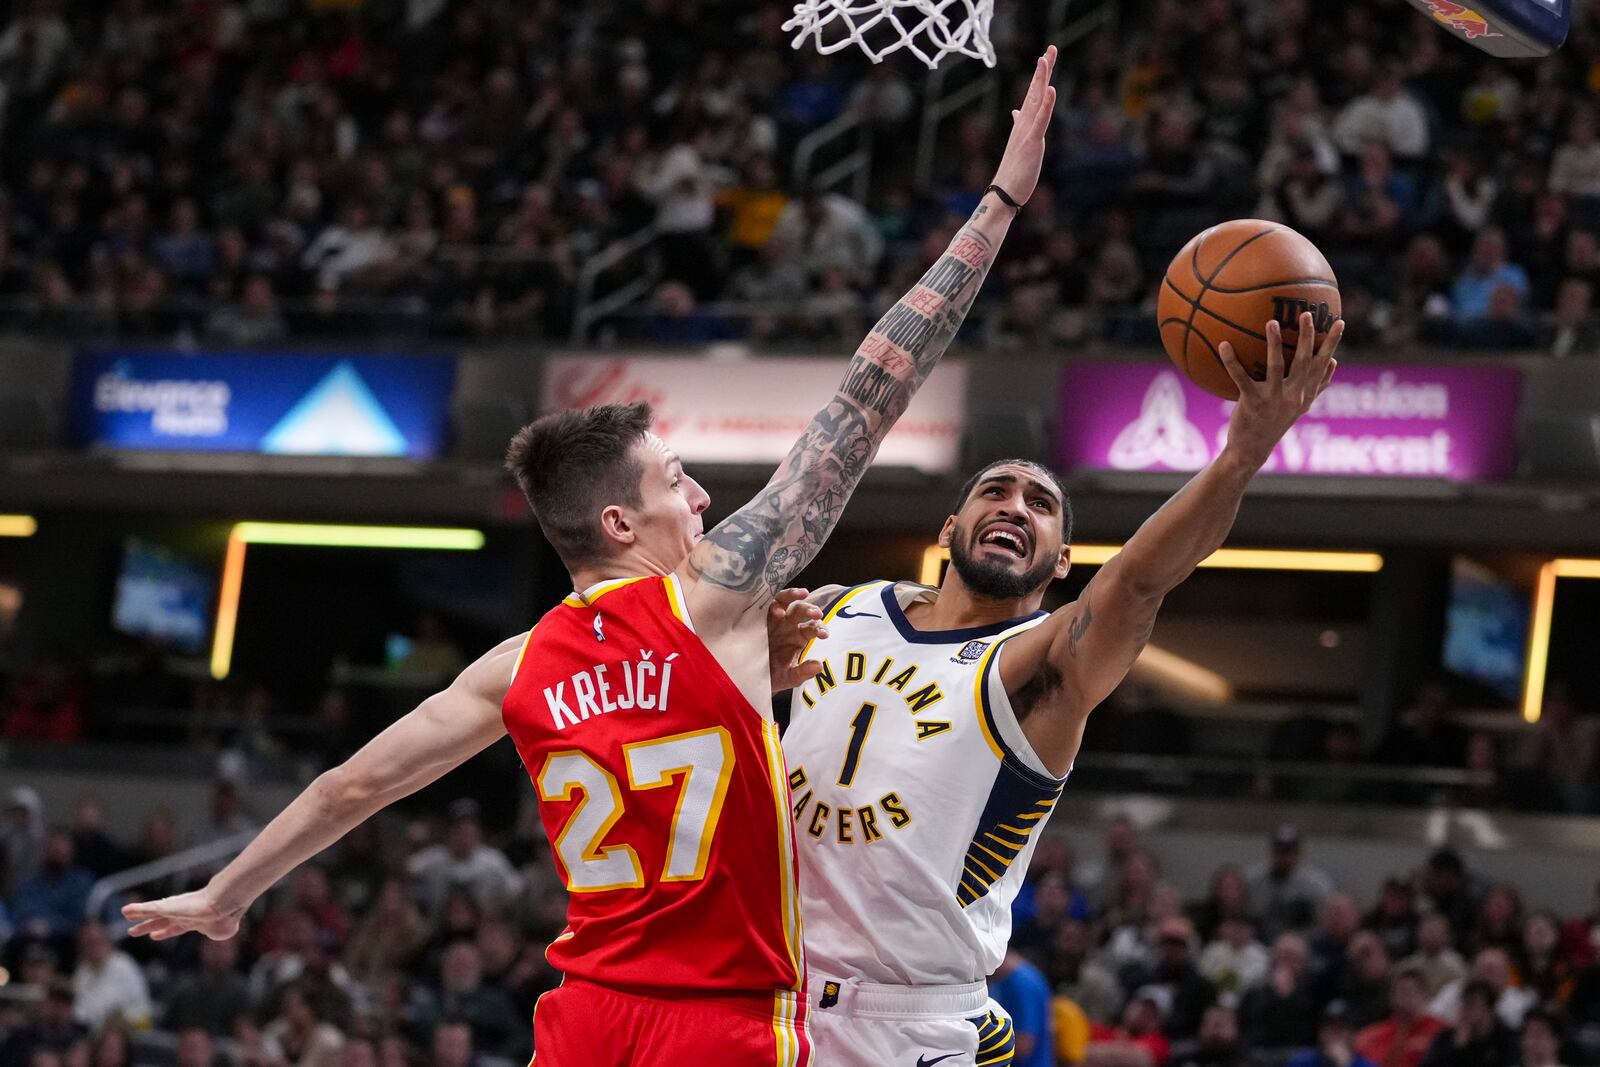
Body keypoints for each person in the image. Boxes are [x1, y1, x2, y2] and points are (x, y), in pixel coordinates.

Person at [120, 46, 1064, 1067]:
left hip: (583, 1016)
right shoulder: (713, 596)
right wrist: (1000, 205)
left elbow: (351, 786)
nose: (702, 495)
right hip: (724, 1021)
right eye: (674, 479)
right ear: (619, 523)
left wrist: (229, 893)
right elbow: (870, 391)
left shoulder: (518, 664)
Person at [784, 251, 1343, 1062]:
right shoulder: (837, 608)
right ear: (947, 528)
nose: (1016, 506)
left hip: (910, 1025)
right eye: (997, 490)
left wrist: (1239, 454)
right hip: (767, 999)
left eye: (1041, 506)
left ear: (1059, 563)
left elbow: (1139, 581)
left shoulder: (1039, 665)